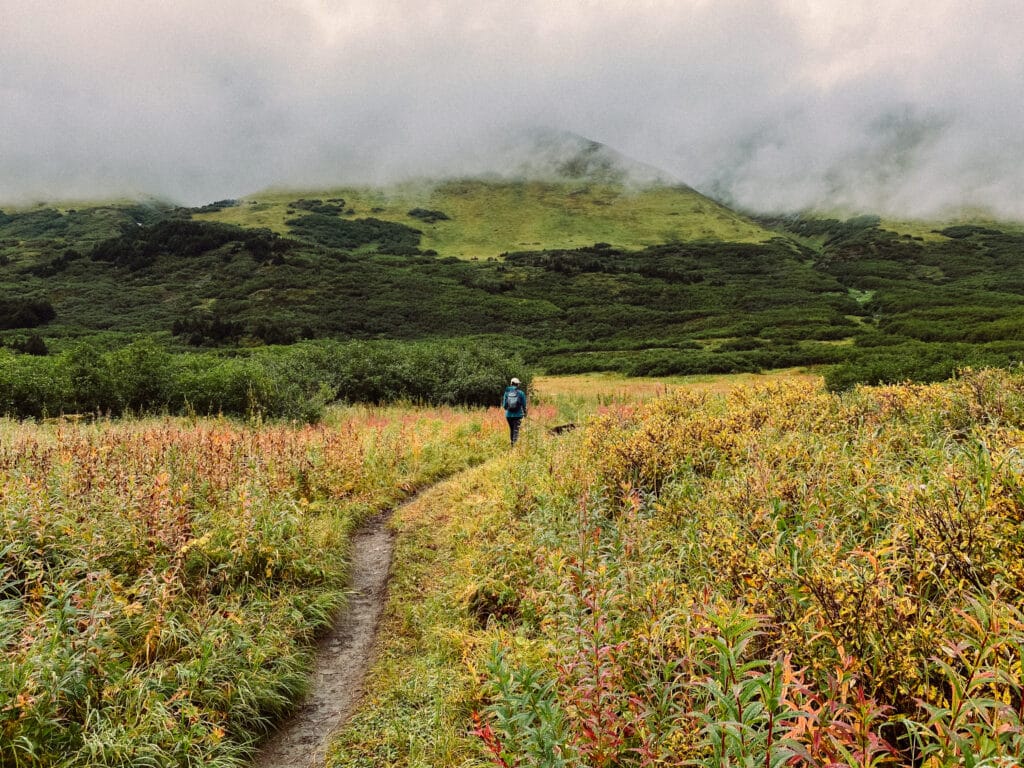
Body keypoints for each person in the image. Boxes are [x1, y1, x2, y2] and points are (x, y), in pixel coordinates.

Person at [502, 377, 527, 446]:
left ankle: (512, 444)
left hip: (509, 416)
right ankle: (514, 447)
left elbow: (504, 406)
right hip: (518, 415)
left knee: (512, 430)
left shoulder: (506, 393)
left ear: (511, 384)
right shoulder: (521, 393)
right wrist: (525, 414)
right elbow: (524, 405)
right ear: (518, 384)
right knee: (516, 431)